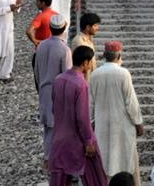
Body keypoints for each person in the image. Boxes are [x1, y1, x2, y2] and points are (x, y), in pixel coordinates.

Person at [49, 45, 108, 186]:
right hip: (77, 141)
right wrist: (88, 141)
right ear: (85, 63)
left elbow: (54, 107)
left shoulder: (58, 80)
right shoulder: (81, 84)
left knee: (59, 180)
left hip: (58, 139)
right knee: (95, 177)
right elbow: (82, 118)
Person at [89, 41, 144, 184]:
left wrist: (91, 123)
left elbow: (90, 103)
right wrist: (138, 123)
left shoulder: (95, 74)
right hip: (123, 126)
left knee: (105, 161)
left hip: (102, 127)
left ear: (104, 55)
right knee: (127, 160)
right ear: (119, 55)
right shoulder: (123, 73)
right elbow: (131, 102)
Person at [34, 14, 72, 168]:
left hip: (44, 91)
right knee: (60, 129)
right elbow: (67, 78)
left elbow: (36, 71)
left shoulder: (41, 46)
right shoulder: (65, 49)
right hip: (58, 95)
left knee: (48, 128)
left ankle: (48, 158)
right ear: (64, 28)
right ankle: (54, 161)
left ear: (50, 28)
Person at [70, 12, 100, 77]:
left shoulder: (88, 40)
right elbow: (78, 65)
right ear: (88, 27)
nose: (97, 28)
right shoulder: (79, 41)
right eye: (95, 25)